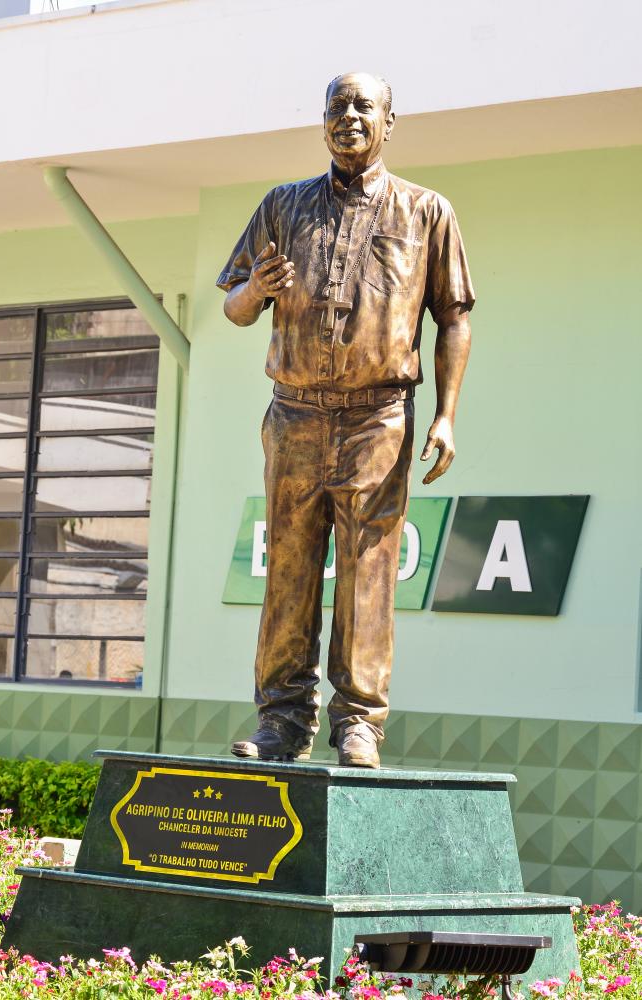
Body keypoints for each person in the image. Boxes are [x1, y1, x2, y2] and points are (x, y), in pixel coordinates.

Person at [217, 72, 474, 768]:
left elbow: (452, 318)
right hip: (295, 413)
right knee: (288, 571)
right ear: (322, 120)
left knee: (368, 572)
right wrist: (253, 291)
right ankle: (280, 722)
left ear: (390, 121)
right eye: (337, 106)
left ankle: (358, 722)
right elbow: (234, 307)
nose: (349, 116)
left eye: (365, 106)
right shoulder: (281, 206)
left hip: (377, 417)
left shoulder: (426, 212)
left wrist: (445, 416)